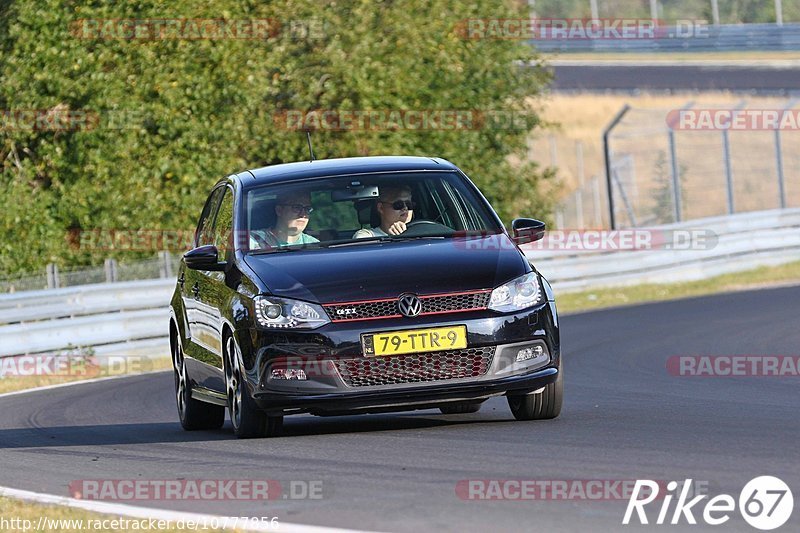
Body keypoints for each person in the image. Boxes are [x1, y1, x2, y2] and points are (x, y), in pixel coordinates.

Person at [250, 190, 319, 249]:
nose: (303, 214)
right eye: (297, 207)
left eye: (307, 209)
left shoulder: (314, 244)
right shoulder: (255, 240)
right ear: (279, 210)